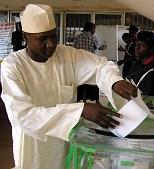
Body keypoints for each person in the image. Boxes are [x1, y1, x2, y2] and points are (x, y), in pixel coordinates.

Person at [0, 4, 137, 169]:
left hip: (64, 141)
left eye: (53, 36)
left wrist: (114, 81)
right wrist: (79, 110)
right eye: (42, 39)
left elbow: (101, 66)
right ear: (25, 37)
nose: (51, 44)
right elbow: (23, 116)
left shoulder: (66, 55)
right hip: (33, 147)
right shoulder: (13, 66)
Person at [126, 31, 154, 96]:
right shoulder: (138, 63)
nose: (137, 47)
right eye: (137, 44)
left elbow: (149, 101)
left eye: (142, 45)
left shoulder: (153, 73)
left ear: (151, 49)